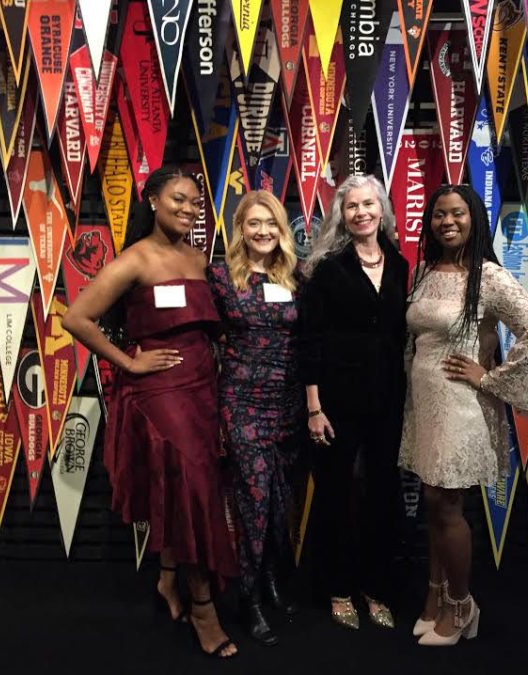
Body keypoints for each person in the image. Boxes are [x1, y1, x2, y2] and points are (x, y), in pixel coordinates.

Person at [62, 167, 239, 659]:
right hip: (161, 392)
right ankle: (204, 608)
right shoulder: (135, 259)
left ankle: (166, 578)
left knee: (179, 489)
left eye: (195, 204)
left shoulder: (197, 257)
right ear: (153, 201)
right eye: (178, 200)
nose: (188, 209)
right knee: (195, 494)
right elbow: (76, 317)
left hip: (204, 387)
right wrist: (129, 361)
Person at [399, 184, 528, 646]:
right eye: (439, 214)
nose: (447, 222)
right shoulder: (421, 271)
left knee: (447, 505)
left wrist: (488, 377)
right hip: (425, 405)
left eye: (457, 213)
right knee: (434, 504)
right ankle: (435, 598)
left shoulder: (489, 276)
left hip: (460, 405)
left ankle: (462, 608)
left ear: (474, 218)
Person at [297, 174, 409, 630]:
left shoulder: (401, 265)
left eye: (369, 203)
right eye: (351, 206)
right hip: (336, 400)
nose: (361, 212)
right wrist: (313, 408)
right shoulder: (327, 267)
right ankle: (338, 587)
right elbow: (310, 341)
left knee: (383, 497)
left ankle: (375, 587)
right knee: (336, 495)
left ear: (382, 209)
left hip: (388, 399)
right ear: (341, 216)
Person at [206, 191, 304, 646]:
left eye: (271, 223)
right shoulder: (221, 277)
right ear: (240, 229)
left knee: (279, 502)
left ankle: (267, 581)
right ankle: (247, 598)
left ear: (281, 229)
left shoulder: (294, 276)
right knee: (252, 502)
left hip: (286, 402)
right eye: (253, 224)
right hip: (243, 402)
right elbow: (201, 335)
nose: (262, 231)